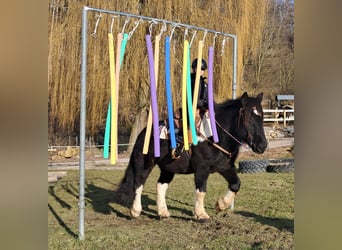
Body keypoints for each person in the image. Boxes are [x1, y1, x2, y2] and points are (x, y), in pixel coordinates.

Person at [171, 58, 209, 159]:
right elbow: (191, 97)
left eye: (202, 69)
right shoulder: (190, 81)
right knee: (191, 118)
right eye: (198, 68)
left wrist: (210, 108)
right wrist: (200, 104)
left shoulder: (205, 84)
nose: (200, 71)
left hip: (202, 109)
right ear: (194, 69)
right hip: (191, 108)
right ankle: (180, 142)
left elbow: (208, 99)